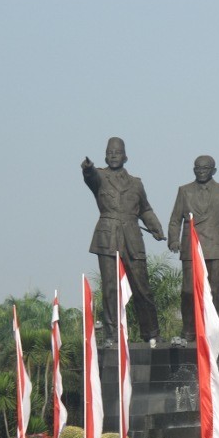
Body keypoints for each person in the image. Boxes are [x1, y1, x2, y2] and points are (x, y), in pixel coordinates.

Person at [82, 137, 165, 347]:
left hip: (132, 237)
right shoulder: (99, 177)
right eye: (109, 152)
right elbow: (89, 177)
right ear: (105, 155)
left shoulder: (136, 183)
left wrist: (155, 227)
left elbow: (145, 209)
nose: (113, 156)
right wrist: (88, 168)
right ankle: (111, 336)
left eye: (117, 152)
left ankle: (151, 333)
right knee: (110, 288)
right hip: (107, 237)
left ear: (125, 156)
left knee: (142, 287)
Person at [168, 155, 219, 341]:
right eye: (198, 168)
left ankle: (214, 333)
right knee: (188, 291)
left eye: (205, 168)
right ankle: (188, 331)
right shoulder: (184, 191)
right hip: (191, 247)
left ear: (213, 170)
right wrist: (173, 240)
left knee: (215, 291)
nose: (201, 171)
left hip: (216, 246)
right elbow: (175, 219)